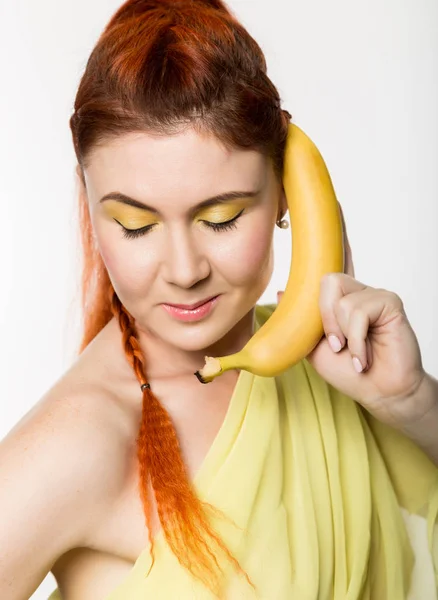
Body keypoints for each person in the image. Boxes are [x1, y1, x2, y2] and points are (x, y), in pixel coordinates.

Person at [1, 0, 437, 598]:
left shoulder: (330, 373)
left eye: (223, 218)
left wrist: (412, 401)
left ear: (285, 192)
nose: (184, 271)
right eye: (134, 225)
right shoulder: (77, 443)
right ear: (89, 198)